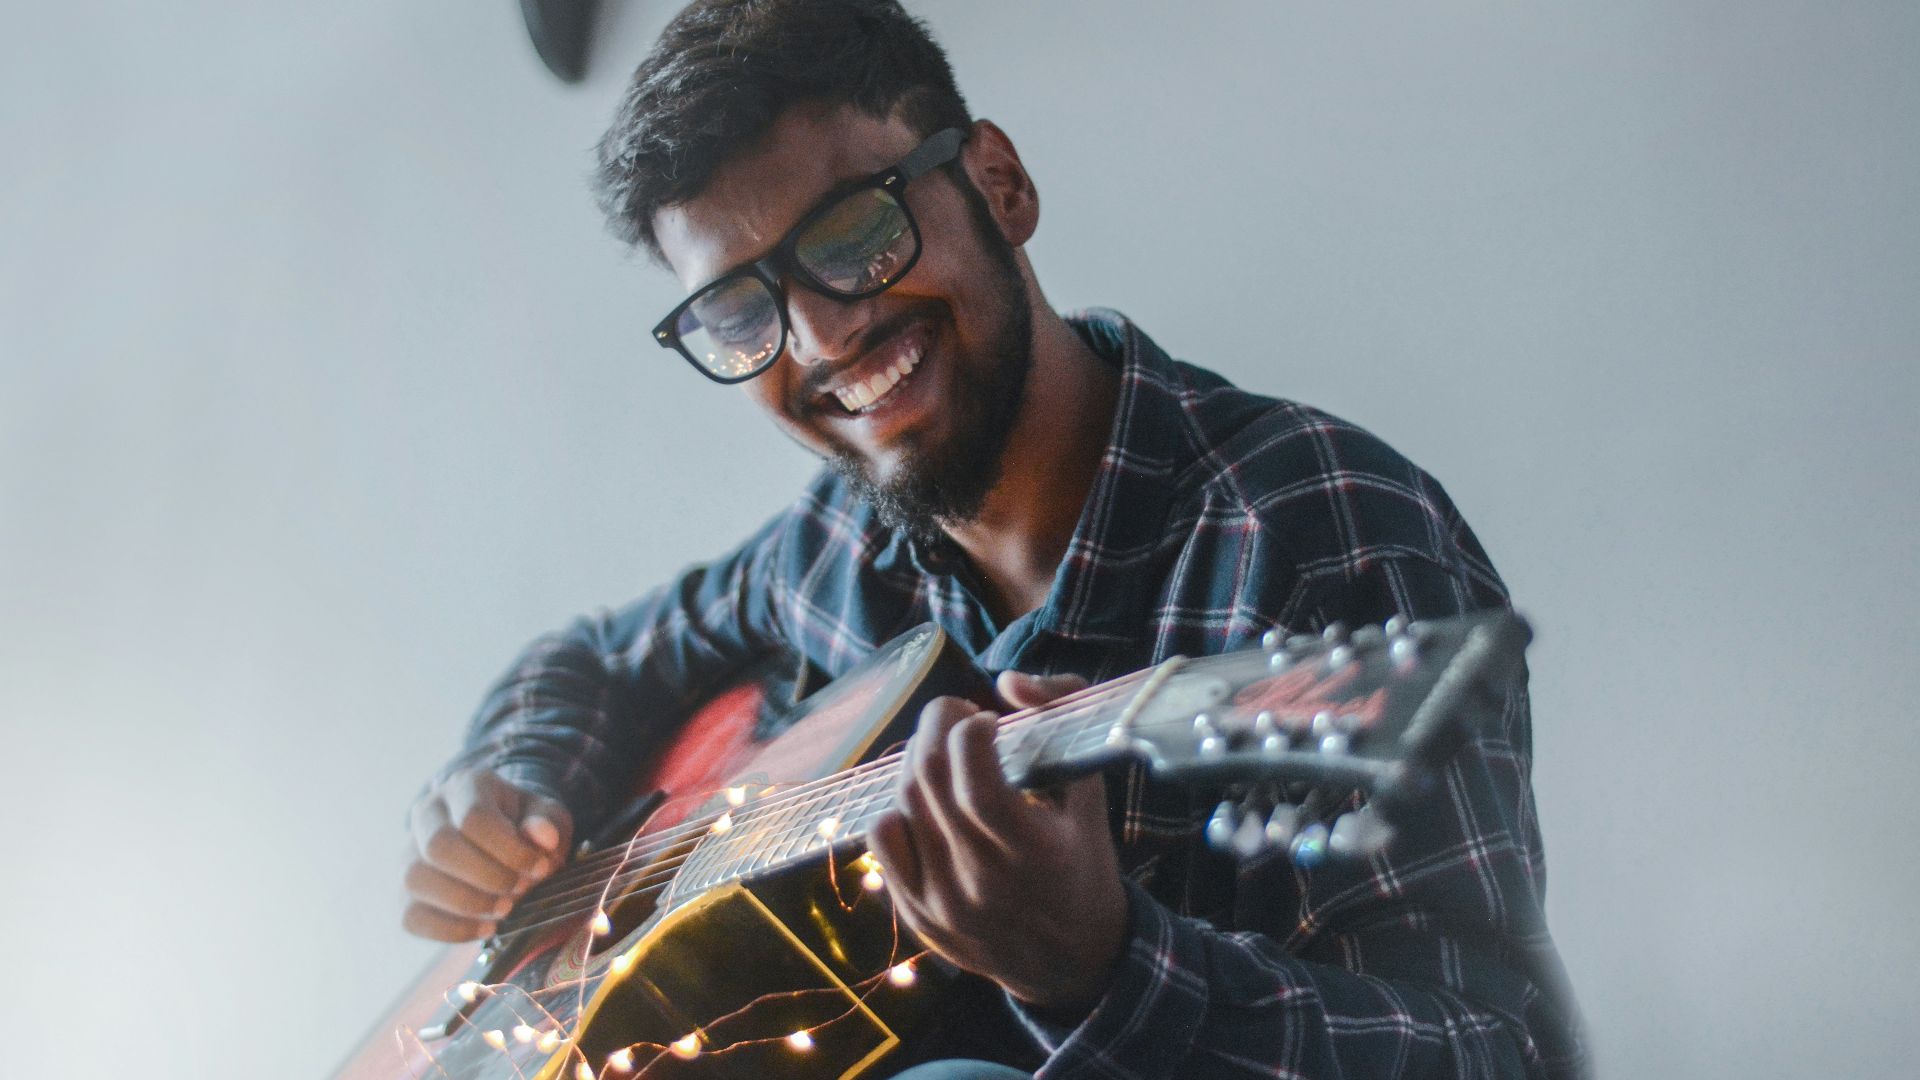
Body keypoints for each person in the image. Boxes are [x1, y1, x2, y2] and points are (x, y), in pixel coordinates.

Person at [400, 2, 1585, 1077]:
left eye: (852, 234)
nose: (818, 341)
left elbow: (1496, 1054)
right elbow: (598, 656)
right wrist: (512, 780)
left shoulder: (1324, 535)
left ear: (999, 184)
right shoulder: (836, 549)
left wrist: (1108, 971)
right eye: (739, 309)